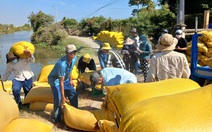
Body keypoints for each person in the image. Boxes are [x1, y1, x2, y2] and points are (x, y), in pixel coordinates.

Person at [48, 44, 78, 128]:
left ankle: (75, 112)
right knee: (58, 99)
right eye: (70, 53)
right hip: (56, 81)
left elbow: (71, 69)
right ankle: (57, 119)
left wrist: (71, 80)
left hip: (66, 79)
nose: (73, 54)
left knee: (74, 93)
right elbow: (61, 82)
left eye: (74, 52)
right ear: (66, 53)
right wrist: (63, 96)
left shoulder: (74, 58)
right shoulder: (62, 64)